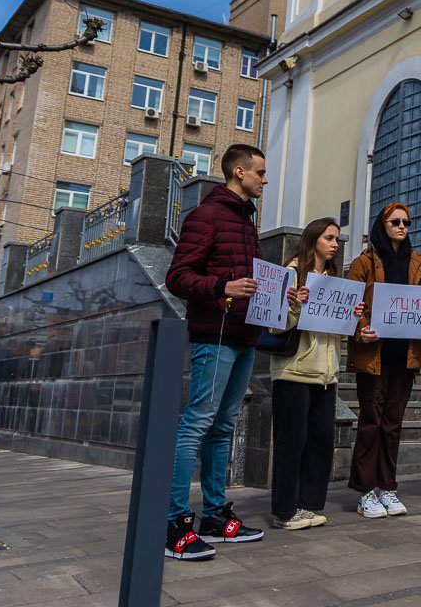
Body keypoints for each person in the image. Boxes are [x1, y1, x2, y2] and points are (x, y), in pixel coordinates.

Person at [164, 144, 271, 561]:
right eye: (260, 173)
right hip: (215, 337)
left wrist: (283, 293)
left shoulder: (247, 222)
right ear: (239, 171)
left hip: (245, 337)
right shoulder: (206, 216)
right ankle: (173, 522)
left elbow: (251, 279)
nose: (264, 179)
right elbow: (177, 277)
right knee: (196, 425)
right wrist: (221, 287)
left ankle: (213, 516)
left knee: (223, 426)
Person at [347, 203, 421, 519]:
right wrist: (363, 332)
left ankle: (387, 487)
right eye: (395, 221)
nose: (402, 226)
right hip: (374, 355)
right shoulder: (363, 262)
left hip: (404, 356)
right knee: (371, 422)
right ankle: (365, 491)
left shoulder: (418, 264)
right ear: (383, 225)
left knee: (392, 424)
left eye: (406, 222)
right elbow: (352, 305)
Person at [268, 218, 365, 531]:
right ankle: (284, 511)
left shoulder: (333, 278)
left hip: (326, 374)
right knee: (291, 443)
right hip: (294, 371)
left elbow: (334, 330)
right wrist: (295, 306)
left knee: (320, 442)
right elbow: (273, 324)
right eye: (330, 238)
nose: (335, 244)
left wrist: (352, 316)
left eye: (337, 239)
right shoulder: (291, 272)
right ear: (313, 240)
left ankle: (308, 505)